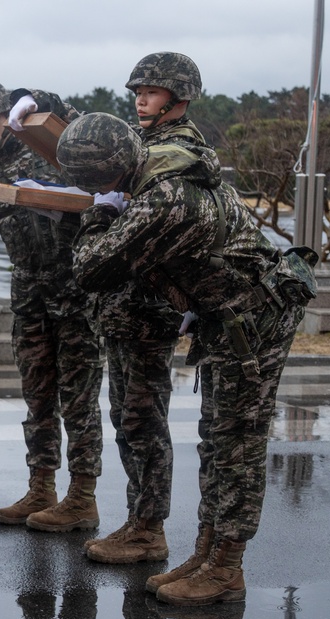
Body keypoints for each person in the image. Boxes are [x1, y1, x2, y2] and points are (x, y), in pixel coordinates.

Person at [56, 112, 316, 606]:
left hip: (253, 319)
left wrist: (97, 212)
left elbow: (90, 268)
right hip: (227, 317)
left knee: (236, 446)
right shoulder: (158, 167)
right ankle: (205, 552)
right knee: (216, 441)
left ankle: (226, 567)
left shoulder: (163, 199)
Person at [0, 81, 105, 532]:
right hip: (29, 297)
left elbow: (90, 134)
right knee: (38, 395)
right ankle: (41, 486)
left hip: (75, 291)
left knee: (79, 397)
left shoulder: (51, 147)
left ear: (9, 113)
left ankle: (82, 496)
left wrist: (40, 99)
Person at [82, 53, 208, 565]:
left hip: (149, 307)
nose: (140, 99)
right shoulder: (147, 145)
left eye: (152, 92)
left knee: (143, 420)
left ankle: (149, 529)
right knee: (125, 417)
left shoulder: (180, 151)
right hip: (123, 307)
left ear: (178, 98)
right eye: (138, 90)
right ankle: (138, 520)